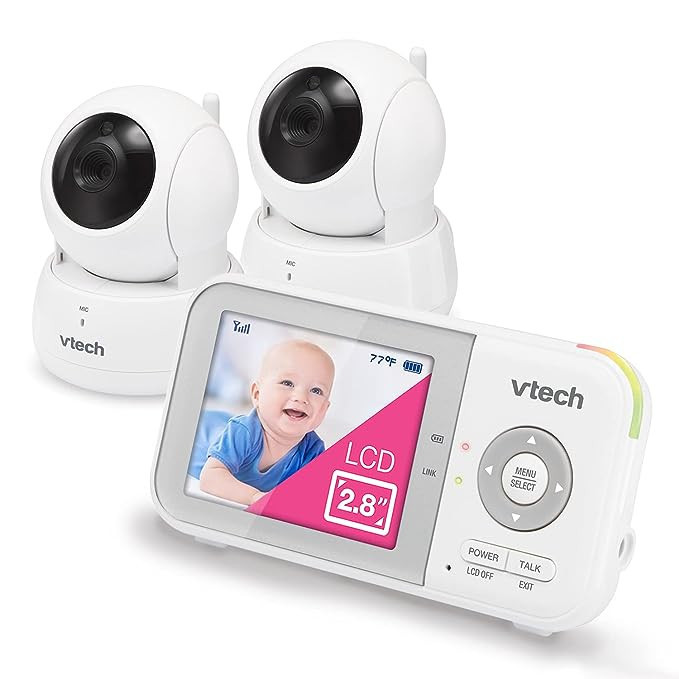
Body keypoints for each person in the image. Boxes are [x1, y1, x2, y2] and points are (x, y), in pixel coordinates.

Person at [199, 340, 335, 504]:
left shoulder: (312, 450)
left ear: (324, 409)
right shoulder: (244, 432)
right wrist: (255, 497)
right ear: (257, 394)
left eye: (316, 391)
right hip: (199, 430)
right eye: (287, 383)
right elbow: (209, 477)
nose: (301, 397)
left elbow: (314, 496)